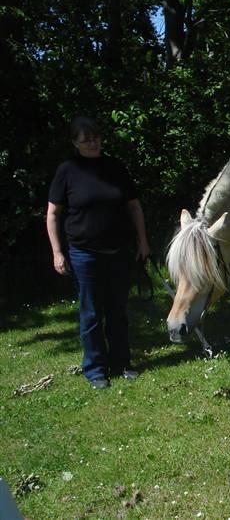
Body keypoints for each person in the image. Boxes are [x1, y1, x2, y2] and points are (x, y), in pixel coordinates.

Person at [46, 116, 150, 389]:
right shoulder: (67, 170)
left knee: (118, 310)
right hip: (84, 253)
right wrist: (57, 252)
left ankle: (121, 362)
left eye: (95, 138)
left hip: (118, 250)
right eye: (85, 139)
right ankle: (95, 370)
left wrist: (143, 241)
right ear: (75, 143)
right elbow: (53, 214)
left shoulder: (115, 167)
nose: (92, 143)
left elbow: (134, 206)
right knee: (91, 313)